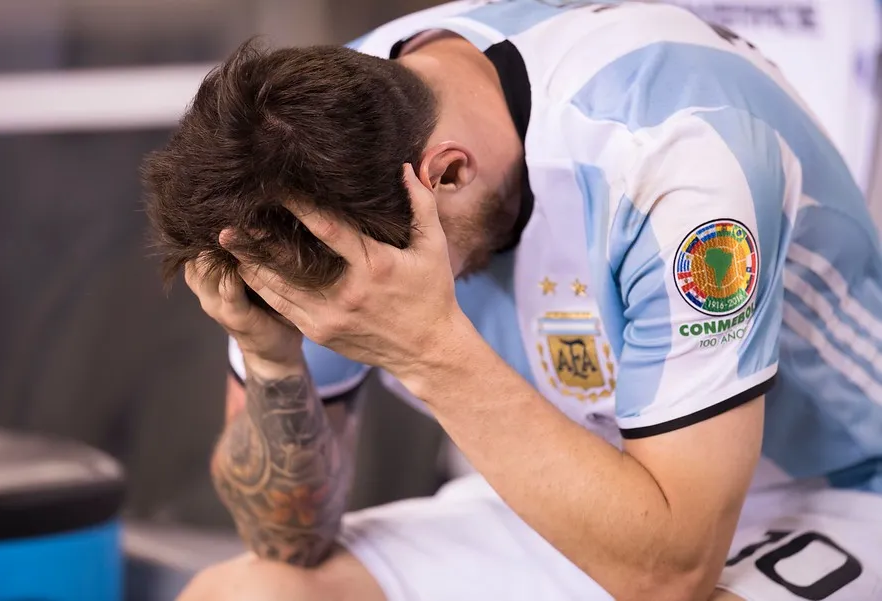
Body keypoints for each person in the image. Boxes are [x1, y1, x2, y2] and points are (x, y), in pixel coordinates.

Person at [142, 1, 882, 600]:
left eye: (365, 300)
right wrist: (273, 359)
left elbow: (671, 573)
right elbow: (286, 541)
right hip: (573, 487)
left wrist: (424, 344)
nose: (350, 316)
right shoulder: (313, 141)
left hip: (825, 491)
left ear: (448, 174)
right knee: (247, 592)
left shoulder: (672, 153)